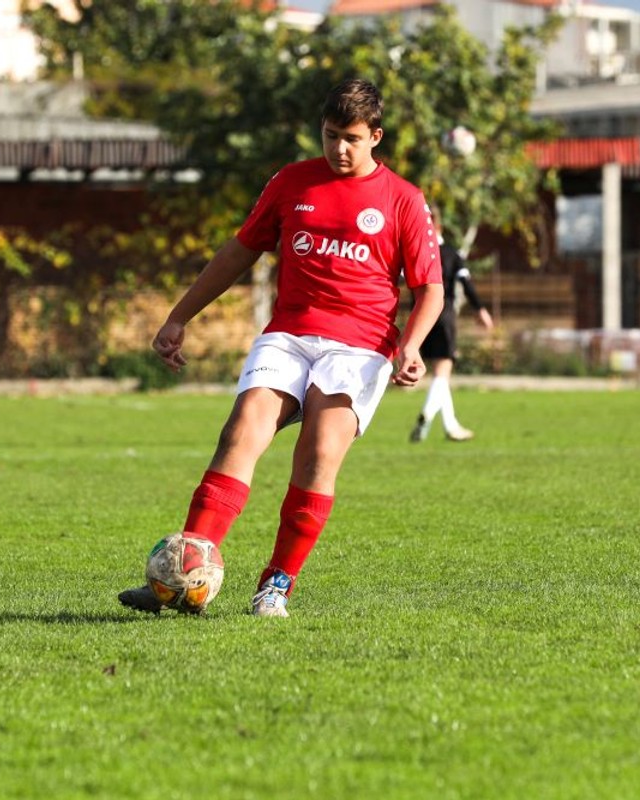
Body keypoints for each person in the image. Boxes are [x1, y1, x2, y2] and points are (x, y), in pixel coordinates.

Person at [118, 78, 444, 618]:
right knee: (240, 430)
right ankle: (179, 579)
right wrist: (179, 316)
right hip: (290, 334)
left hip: (360, 347)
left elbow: (429, 288)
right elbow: (239, 251)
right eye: (330, 135)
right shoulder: (292, 183)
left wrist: (411, 346)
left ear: (375, 138)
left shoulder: (402, 199)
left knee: (318, 453)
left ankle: (277, 584)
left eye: (352, 139)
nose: (339, 148)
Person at [408, 207, 494, 443]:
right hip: (444, 314)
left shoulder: (416, 252)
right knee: (442, 372)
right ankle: (427, 411)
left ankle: (451, 425)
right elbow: (465, 283)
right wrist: (480, 310)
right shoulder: (450, 253)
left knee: (438, 373)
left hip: (421, 317)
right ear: (440, 226)